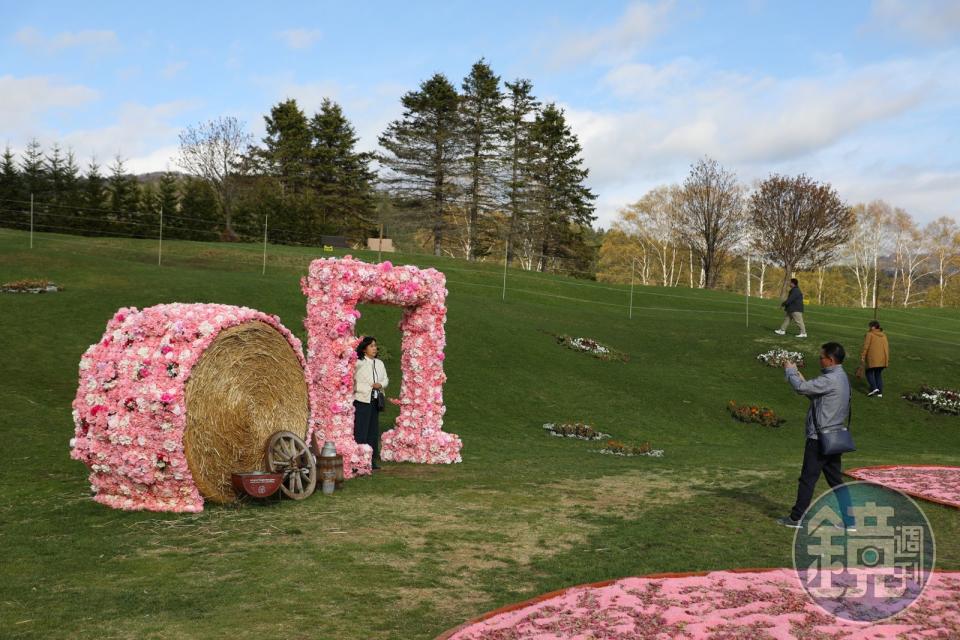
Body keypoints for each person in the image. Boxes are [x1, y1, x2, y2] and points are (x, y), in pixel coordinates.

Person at [777, 342, 854, 530]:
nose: (819, 360)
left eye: (821, 357)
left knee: (807, 479)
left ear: (830, 360)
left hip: (819, 439)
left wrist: (790, 371)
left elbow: (802, 389)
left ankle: (796, 518)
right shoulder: (842, 377)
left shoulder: (830, 380)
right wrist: (801, 379)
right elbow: (816, 395)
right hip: (834, 438)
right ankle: (850, 521)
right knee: (836, 481)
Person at [353, 336, 389, 470]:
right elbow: (350, 378)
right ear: (364, 349)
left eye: (375, 345)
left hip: (375, 401)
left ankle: (372, 460)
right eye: (371, 346)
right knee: (361, 430)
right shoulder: (358, 363)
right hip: (362, 400)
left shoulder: (379, 363)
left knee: (373, 431)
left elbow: (386, 379)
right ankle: (358, 460)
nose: (375, 348)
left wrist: (380, 384)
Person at [859, 320, 889, 398]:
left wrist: (863, 356)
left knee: (868, 372)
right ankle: (880, 392)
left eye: (869, 326)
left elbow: (866, 346)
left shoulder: (870, 334)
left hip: (873, 358)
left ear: (873, 327)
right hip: (883, 359)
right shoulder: (884, 335)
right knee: (878, 374)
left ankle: (874, 388)